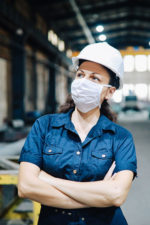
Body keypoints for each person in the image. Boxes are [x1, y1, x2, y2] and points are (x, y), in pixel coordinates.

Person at [18, 42, 137, 225]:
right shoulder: (44, 126)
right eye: (80, 74)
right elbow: (26, 187)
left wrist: (47, 179)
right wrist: (97, 196)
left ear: (110, 92)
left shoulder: (120, 137)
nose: (83, 82)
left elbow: (116, 195)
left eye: (95, 78)